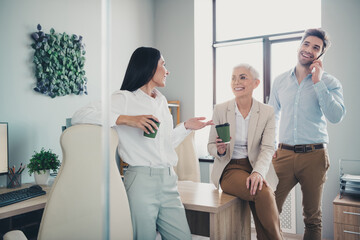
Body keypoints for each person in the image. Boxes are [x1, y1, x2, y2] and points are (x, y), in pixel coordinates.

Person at [72, 47, 213, 240]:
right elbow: (79, 115)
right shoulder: (124, 98)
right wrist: (125, 119)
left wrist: (186, 126)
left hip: (169, 181)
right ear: (149, 67)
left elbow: (164, 144)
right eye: (163, 64)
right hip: (141, 181)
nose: (167, 70)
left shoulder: (161, 101)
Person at [268, 28, 346, 240]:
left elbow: (336, 116)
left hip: (314, 156)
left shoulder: (329, 82)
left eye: (316, 48)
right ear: (299, 46)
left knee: (312, 218)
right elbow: (271, 116)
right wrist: (271, 146)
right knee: (268, 210)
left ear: (320, 55)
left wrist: (318, 82)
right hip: (283, 155)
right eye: (306, 44)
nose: (309, 50)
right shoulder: (280, 81)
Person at [208, 64, 283, 240]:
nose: (236, 82)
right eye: (233, 78)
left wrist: (257, 172)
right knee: (263, 193)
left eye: (242, 77)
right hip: (230, 169)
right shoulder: (220, 109)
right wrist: (219, 150)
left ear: (256, 83)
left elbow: (267, 148)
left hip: (256, 166)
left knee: (261, 214)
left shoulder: (266, 111)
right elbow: (211, 145)